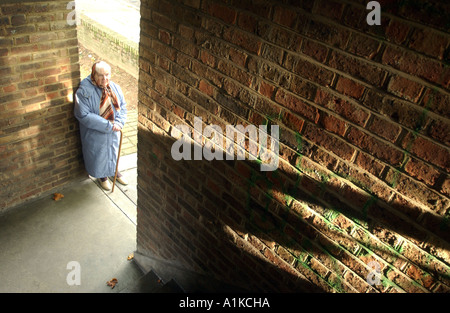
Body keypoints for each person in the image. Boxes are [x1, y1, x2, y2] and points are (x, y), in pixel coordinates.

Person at [74, 61, 128, 190]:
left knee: (112, 151)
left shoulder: (114, 87)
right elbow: (83, 115)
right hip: (96, 132)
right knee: (98, 153)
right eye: (100, 75)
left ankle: (113, 171)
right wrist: (108, 125)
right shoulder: (84, 91)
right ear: (93, 74)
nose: (105, 79)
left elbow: (123, 107)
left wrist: (119, 122)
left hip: (114, 130)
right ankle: (101, 176)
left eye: (107, 74)